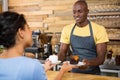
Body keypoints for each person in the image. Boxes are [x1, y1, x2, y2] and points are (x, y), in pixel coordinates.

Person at [0, 11, 76, 80]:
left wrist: (43, 68)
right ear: (21, 32)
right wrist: (62, 70)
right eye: (28, 28)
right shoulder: (33, 66)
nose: (31, 31)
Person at [58, 0, 109, 75]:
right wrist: (56, 59)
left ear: (87, 12)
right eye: (74, 12)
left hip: (93, 74)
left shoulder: (99, 29)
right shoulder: (67, 29)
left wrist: (88, 63)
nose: (76, 15)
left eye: (79, 11)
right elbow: (62, 52)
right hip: (74, 74)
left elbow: (101, 58)